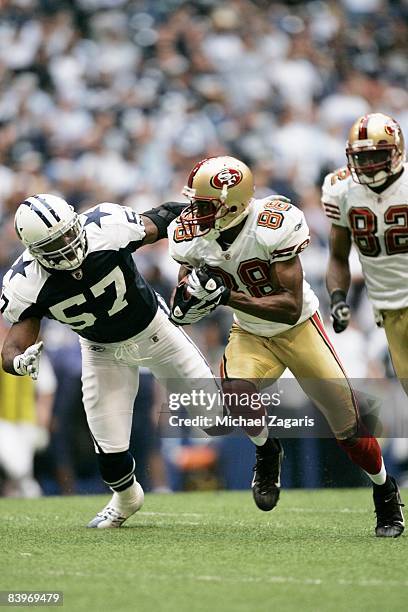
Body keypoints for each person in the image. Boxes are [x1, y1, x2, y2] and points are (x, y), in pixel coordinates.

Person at [167, 155, 404, 537]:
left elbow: (288, 305)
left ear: (233, 201)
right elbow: (184, 296)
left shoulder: (272, 224)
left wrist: (225, 295)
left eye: (205, 204)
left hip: (298, 328)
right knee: (236, 394)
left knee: (349, 430)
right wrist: (188, 300)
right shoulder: (193, 235)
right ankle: (267, 450)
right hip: (250, 333)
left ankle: (384, 491)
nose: (195, 212)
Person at [0, 194, 223, 527]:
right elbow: (11, 348)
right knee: (111, 453)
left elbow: (166, 218)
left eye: (68, 232)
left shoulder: (107, 227)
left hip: (154, 330)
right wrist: (18, 362)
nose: (67, 244)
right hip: (101, 350)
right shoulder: (26, 283)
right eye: (54, 242)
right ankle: (127, 499)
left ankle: (266, 446)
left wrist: (203, 237)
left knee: (215, 418)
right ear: (34, 251)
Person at [322, 113, 408, 397]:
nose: (369, 166)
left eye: (376, 156)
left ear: (397, 151)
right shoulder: (342, 190)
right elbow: (337, 256)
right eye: (362, 158)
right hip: (388, 307)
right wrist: (337, 298)